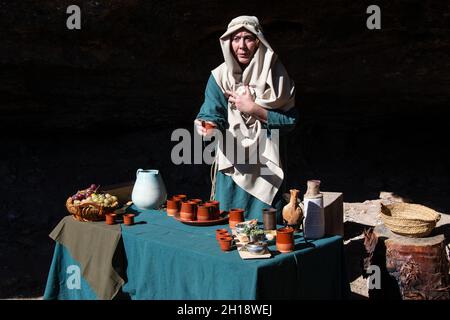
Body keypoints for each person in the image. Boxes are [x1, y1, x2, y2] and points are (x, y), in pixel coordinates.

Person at [195, 16, 298, 222]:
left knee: (266, 231)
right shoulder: (220, 76)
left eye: (248, 38)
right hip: (233, 164)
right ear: (228, 42)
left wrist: (252, 108)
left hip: (267, 164)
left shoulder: (276, 75)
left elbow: (289, 122)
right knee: (229, 225)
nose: (241, 46)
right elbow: (212, 114)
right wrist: (207, 126)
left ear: (259, 41)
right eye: (235, 39)